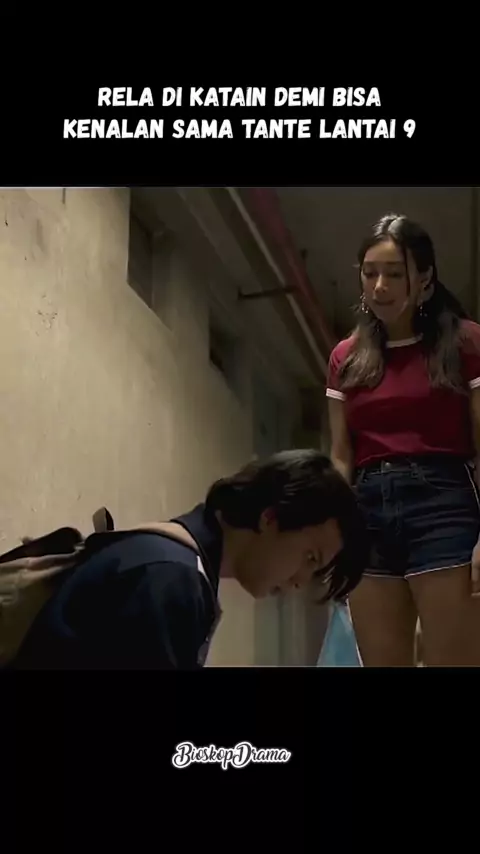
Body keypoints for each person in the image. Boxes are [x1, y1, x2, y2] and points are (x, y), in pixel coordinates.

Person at [11, 449, 369, 669]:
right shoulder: (171, 578)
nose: (300, 581)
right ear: (271, 518)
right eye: (310, 557)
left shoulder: (173, 564)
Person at [327, 212, 480, 667]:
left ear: (425, 279)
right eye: (370, 273)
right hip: (367, 513)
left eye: (394, 274)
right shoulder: (346, 357)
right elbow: (341, 455)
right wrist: (333, 531)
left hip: (445, 508)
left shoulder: (466, 344)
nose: (380, 286)